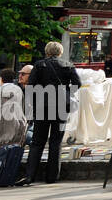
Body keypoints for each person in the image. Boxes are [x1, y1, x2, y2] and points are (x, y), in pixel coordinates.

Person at [17, 41, 81, 186]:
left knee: (37, 142)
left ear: (46, 52)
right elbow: (77, 83)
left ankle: (30, 176)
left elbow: (31, 86)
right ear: (60, 52)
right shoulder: (68, 65)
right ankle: (52, 177)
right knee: (56, 141)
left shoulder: (39, 65)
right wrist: (66, 93)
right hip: (61, 107)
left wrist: (34, 102)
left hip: (42, 107)